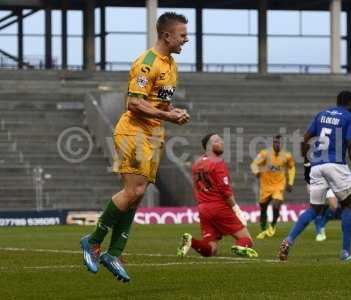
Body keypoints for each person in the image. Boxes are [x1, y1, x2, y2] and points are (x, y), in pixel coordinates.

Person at [80, 12, 190, 283]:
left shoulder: (171, 65)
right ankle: (93, 242)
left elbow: (158, 103)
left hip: (154, 136)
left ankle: (114, 252)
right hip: (134, 132)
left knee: (137, 196)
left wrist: (173, 112)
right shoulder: (146, 63)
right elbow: (134, 103)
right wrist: (167, 116)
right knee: (135, 190)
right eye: (182, 35)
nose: (186, 39)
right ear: (166, 35)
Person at [278, 91, 351, 262]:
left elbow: (304, 140)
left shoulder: (321, 115)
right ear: (350, 103)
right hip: (336, 164)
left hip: (317, 165)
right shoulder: (350, 117)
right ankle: (346, 253)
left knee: (313, 209)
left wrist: (306, 164)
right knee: (347, 206)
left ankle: (288, 240)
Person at [177, 133, 258, 259]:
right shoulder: (217, 163)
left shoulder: (197, 163)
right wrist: (236, 209)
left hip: (203, 208)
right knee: (246, 239)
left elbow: (197, 188)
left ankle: (191, 241)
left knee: (211, 250)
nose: (221, 143)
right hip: (218, 207)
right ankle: (241, 247)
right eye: (217, 141)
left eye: (221, 140)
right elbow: (225, 190)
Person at [250, 135, 295, 239]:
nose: (277, 144)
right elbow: (253, 164)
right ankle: (263, 229)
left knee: (276, 205)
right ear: (272, 143)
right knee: (263, 208)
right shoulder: (264, 154)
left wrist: (291, 182)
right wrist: (256, 172)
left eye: (279, 142)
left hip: (278, 186)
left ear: (282, 144)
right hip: (265, 186)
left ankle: (273, 225)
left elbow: (292, 168)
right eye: (275, 142)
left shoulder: (287, 156)